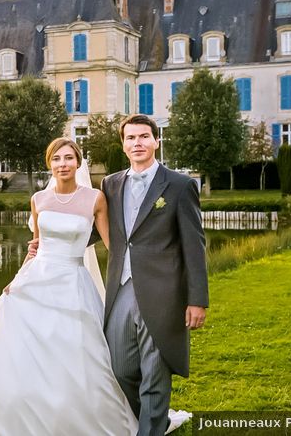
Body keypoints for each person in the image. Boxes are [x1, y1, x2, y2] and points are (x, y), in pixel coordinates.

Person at [0, 138, 138, 435]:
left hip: (73, 283)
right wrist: (16, 279)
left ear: (78, 162)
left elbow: (114, 246)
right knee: (8, 318)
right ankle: (18, 411)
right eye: (56, 159)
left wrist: (131, 279)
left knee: (79, 353)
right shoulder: (39, 200)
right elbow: (35, 247)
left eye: (68, 158)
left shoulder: (95, 198)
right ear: (49, 164)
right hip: (38, 280)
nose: (63, 164)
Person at [99, 114, 208, 435]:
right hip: (120, 289)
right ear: (123, 145)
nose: (138, 143)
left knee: (155, 373)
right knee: (120, 369)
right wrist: (46, 238)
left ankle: (150, 429)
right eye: (131, 138)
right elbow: (95, 226)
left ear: (156, 141)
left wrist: (197, 299)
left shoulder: (179, 185)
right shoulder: (111, 184)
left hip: (163, 293)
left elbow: (194, 246)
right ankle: (152, 420)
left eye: (144, 137)